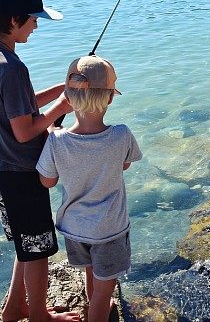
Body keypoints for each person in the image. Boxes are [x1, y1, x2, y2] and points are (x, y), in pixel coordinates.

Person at [0, 0, 79, 322]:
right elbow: (24, 131)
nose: (36, 26)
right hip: (20, 173)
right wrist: (63, 107)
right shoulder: (12, 67)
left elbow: (21, 107)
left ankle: (16, 307)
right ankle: (39, 317)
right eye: (33, 19)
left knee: (26, 243)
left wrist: (62, 89)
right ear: (15, 20)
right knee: (39, 250)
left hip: (0, 168)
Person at [37, 55, 142, 322]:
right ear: (109, 98)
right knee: (104, 292)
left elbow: (47, 181)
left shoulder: (56, 140)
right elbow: (125, 165)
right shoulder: (121, 134)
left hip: (74, 229)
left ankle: (96, 309)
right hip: (109, 229)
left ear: (68, 99)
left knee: (90, 273)